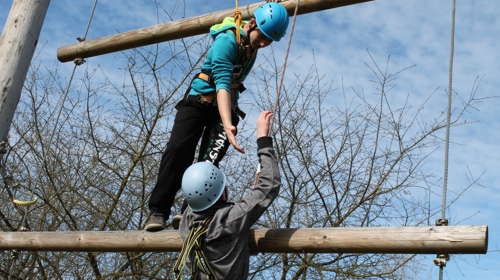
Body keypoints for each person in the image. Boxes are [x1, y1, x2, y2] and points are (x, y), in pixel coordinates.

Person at [145, 2, 289, 231]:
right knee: (178, 151)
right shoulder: (226, 42)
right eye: (262, 36)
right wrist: (228, 123)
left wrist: (228, 118)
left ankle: (189, 212)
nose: (264, 44)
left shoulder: (251, 48)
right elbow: (221, 83)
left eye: (269, 40)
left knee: (209, 161)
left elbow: (232, 85)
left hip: (225, 108)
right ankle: (158, 211)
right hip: (199, 103)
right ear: (252, 24)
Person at [172, 110, 280, 279]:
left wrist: (240, 245)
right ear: (222, 195)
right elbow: (269, 184)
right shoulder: (231, 219)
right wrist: (263, 140)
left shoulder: (186, 223)